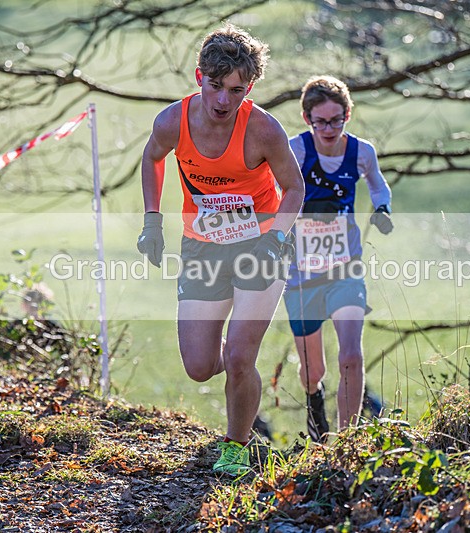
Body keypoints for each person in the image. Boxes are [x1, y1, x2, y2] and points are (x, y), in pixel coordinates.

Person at [137, 24, 304, 476]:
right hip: (203, 249)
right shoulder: (173, 121)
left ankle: (236, 444)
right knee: (198, 365)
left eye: (236, 90)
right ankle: (234, 363)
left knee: (239, 358)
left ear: (248, 88)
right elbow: (152, 158)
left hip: (260, 247)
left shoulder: (264, 130)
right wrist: (153, 219)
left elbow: (294, 188)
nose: (224, 100)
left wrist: (276, 238)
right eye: (216, 86)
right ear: (199, 78)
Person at [284, 75, 393, 442]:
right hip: (301, 274)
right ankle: (315, 407)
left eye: (336, 120)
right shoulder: (296, 151)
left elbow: (378, 184)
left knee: (351, 356)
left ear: (348, 114)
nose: (329, 129)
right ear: (306, 118)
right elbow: (272, 190)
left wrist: (382, 207)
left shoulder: (361, 151)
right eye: (321, 121)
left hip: (346, 268)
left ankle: (347, 443)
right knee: (313, 369)